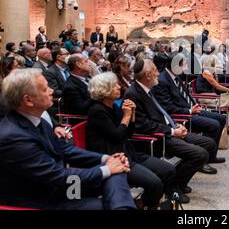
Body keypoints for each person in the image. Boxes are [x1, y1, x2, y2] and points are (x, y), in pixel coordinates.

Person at [0, 69, 136, 210]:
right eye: (45, 89)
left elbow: (65, 150)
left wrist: (106, 159)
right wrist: (107, 168)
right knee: (105, 197)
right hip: (43, 200)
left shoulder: (38, 120)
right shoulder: (13, 138)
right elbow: (57, 176)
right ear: (28, 100)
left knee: (117, 171)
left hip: (63, 188)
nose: (52, 91)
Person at [125, 60, 217, 201]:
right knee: (200, 154)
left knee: (209, 143)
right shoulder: (134, 94)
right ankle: (172, 187)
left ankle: (178, 184)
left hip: (169, 129)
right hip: (157, 138)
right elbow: (143, 125)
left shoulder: (147, 88)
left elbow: (162, 113)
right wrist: (172, 131)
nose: (158, 73)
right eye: (155, 70)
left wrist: (176, 125)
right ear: (148, 75)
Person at [86, 72, 177, 208]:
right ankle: (147, 205)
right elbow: (116, 136)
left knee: (168, 170)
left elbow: (127, 133)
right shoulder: (97, 111)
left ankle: (146, 203)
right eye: (114, 85)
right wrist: (126, 117)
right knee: (155, 184)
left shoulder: (113, 107)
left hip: (129, 153)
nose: (119, 87)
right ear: (104, 91)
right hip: (114, 157)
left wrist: (132, 114)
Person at [152, 53, 226, 164]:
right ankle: (202, 161)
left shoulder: (175, 76)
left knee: (221, 118)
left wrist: (194, 105)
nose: (186, 67)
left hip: (190, 109)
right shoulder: (162, 80)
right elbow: (168, 107)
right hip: (181, 116)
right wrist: (190, 111)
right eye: (184, 64)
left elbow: (185, 95)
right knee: (214, 124)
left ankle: (211, 155)